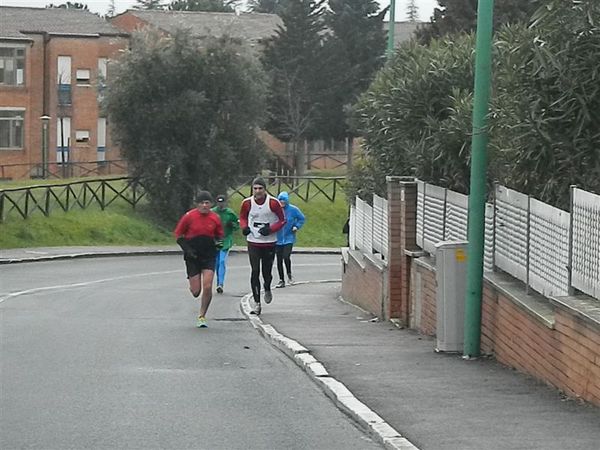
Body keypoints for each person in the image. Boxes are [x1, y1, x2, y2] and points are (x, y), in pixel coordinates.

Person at [173, 190, 224, 328]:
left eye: (207, 203)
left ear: (211, 204)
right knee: (196, 292)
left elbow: (219, 235)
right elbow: (178, 235)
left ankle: (202, 316)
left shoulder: (215, 218)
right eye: (201, 203)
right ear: (197, 204)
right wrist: (188, 250)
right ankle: (192, 283)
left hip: (208, 255)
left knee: (208, 286)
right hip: (193, 256)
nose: (204, 205)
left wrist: (218, 243)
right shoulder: (189, 216)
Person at [239, 177, 286, 315]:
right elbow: (242, 217)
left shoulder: (273, 203)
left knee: (266, 272)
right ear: (252, 189)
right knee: (254, 271)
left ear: (265, 189)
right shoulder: (247, 203)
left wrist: (270, 230)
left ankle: (267, 287)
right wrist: (244, 227)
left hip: (269, 242)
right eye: (255, 188)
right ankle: (257, 303)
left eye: (260, 188)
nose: (258, 191)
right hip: (253, 241)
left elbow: (283, 220)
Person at [275, 191, 305, 288]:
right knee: (279, 259)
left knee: (286, 256)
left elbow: (302, 218)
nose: (282, 203)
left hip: (289, 237)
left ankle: (289, 274)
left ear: (287, 201)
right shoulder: (275, 210)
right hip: (277, 238)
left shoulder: (293, 210)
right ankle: (281, 280)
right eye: (280, 201)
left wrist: (296, 226)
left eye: (284, 201)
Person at [211, 194, 239, 294]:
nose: (220, 205)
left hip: (226, 239)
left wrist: (232, 225)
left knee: (222, 261)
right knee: (217, 262)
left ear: (225, 203)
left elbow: (237, 225)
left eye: (222, 202)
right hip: (217, 239)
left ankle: (220, 283)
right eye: (219, 202)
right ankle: (218, 282)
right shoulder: (213, 212)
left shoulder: (230, 213)